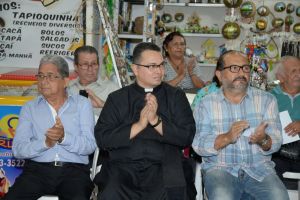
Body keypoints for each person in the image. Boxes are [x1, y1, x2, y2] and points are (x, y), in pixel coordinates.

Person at [94, 42, 195, 200]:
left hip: (164, 167)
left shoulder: (176, 97)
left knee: (175, 191)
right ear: (135, 69)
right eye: (152, 66)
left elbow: (187, 136)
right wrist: (140, 124)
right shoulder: (117, 98)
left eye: (161, 65)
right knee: (110, 193)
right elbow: (103, 138)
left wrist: (156, 121)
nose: (159, 71)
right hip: (123, 167)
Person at [192, 50, 289, 200]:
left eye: (245, 68)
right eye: (234, 68)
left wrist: (263, 140)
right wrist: (226, 137)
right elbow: (198, 145)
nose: (241, 73)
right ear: (219, 75)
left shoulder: (267, 100)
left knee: (279, 197)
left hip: (259, 169)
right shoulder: (206, 103)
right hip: (221, 169)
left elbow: (276, 141)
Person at [4, 55, 97, 200]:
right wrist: (45, 143)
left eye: (50, 76)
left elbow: (90, 145)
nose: (43, 81)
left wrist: (63, 138)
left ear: (65, 81)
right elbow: (18, 150)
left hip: (74, 171)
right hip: (37, 170)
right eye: (40, 76)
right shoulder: (30, 108)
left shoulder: (82, 104)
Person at [270, 56, 300, 190]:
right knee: (268, 169)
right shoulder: (269, 98)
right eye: (294, 71)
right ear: (280, 77)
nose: (299, 74)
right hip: (278, 152)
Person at [68, 45, 119, 117]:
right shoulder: (67, 89)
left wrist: (103, 105)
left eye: (94, 64)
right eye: (85, 64)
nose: (90, 69)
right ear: (76, 66)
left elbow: (125, 118)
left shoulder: (113, 90)